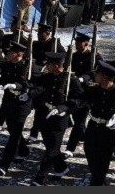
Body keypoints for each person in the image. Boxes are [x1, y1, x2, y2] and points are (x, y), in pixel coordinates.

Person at [28, 51, 83, 186]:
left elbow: (80, 99)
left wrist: (65, 109)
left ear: (57, 65)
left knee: (52, 149)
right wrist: (29, 94)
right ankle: (61, 168)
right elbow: (37, 87)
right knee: (50, 146)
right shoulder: (47, 77)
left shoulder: (71, 80)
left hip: (59, 118)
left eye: (49, 64)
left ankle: (40, 177)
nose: (47, 66)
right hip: (46, 115)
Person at [82, 60, 115, 186]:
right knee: (91, 157)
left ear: (105, 76)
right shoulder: (94, 89)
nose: (94, 75)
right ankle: (101, 181)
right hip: (92, 128)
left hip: (108, 132)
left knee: (101, 164)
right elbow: (80, 100)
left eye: (97, 73)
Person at [0, 41, 33, 178]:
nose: (6, 54)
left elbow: (28, 83)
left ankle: (3, 165)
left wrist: (16, 85)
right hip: (9, 102)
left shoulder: (28, 67)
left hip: (22, 104)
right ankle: (24, 150)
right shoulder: (7, 65)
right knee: (12, 128)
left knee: (13, 136)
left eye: (9, 52)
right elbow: (3, 77)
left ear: (17, 54)